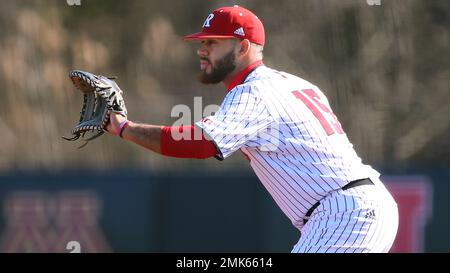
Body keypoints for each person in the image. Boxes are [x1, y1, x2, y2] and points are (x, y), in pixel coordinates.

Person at [106, 5, 399, 253]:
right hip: (356, 208)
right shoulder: (293, 83)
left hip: (344, 213)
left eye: (213, 43)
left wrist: (125, 128)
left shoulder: (255, 92)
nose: (202, 51)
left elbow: (200, 143)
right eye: (202, 43)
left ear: (243, 47)